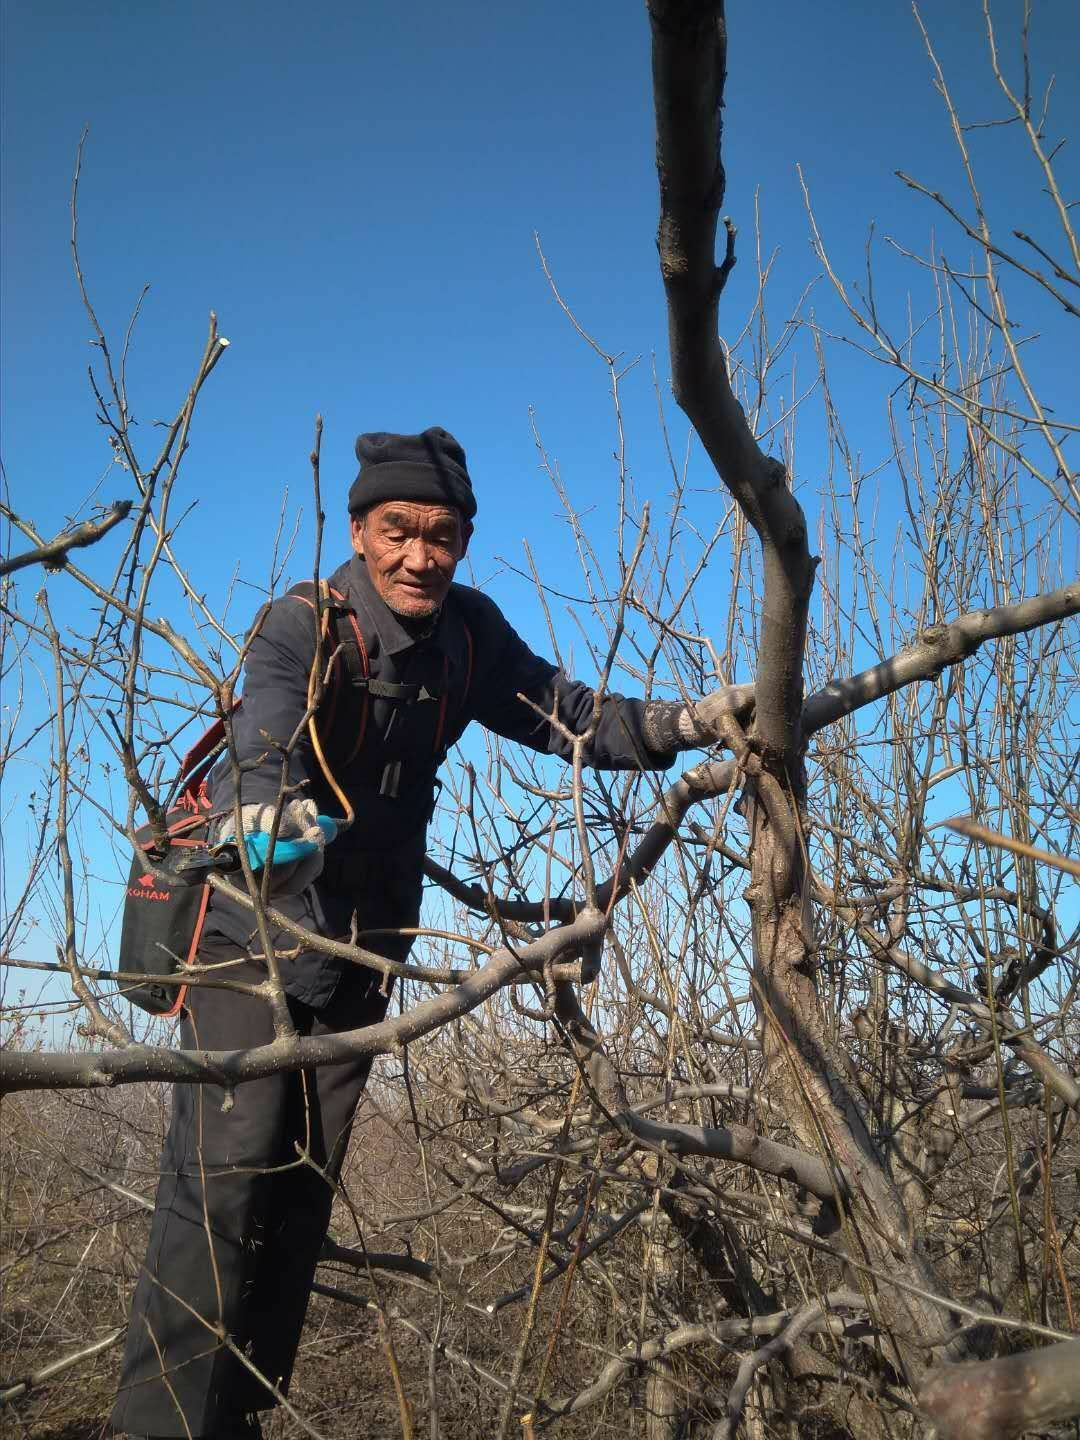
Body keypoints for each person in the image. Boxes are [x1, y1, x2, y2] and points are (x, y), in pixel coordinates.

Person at [111, 427, 735, 1439]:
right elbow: (266, 738)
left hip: (364, 946)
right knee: (221, 1187)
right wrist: (266, 816)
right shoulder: (302, 625)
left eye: (443, 535)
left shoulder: (469, 635)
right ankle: (161, 1425)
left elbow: (570, 717)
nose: (420, 554)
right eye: (399, 530)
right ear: (359, 531)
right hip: (251, 942)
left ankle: (240, 1416)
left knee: (301, 1190)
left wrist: (691, 724)